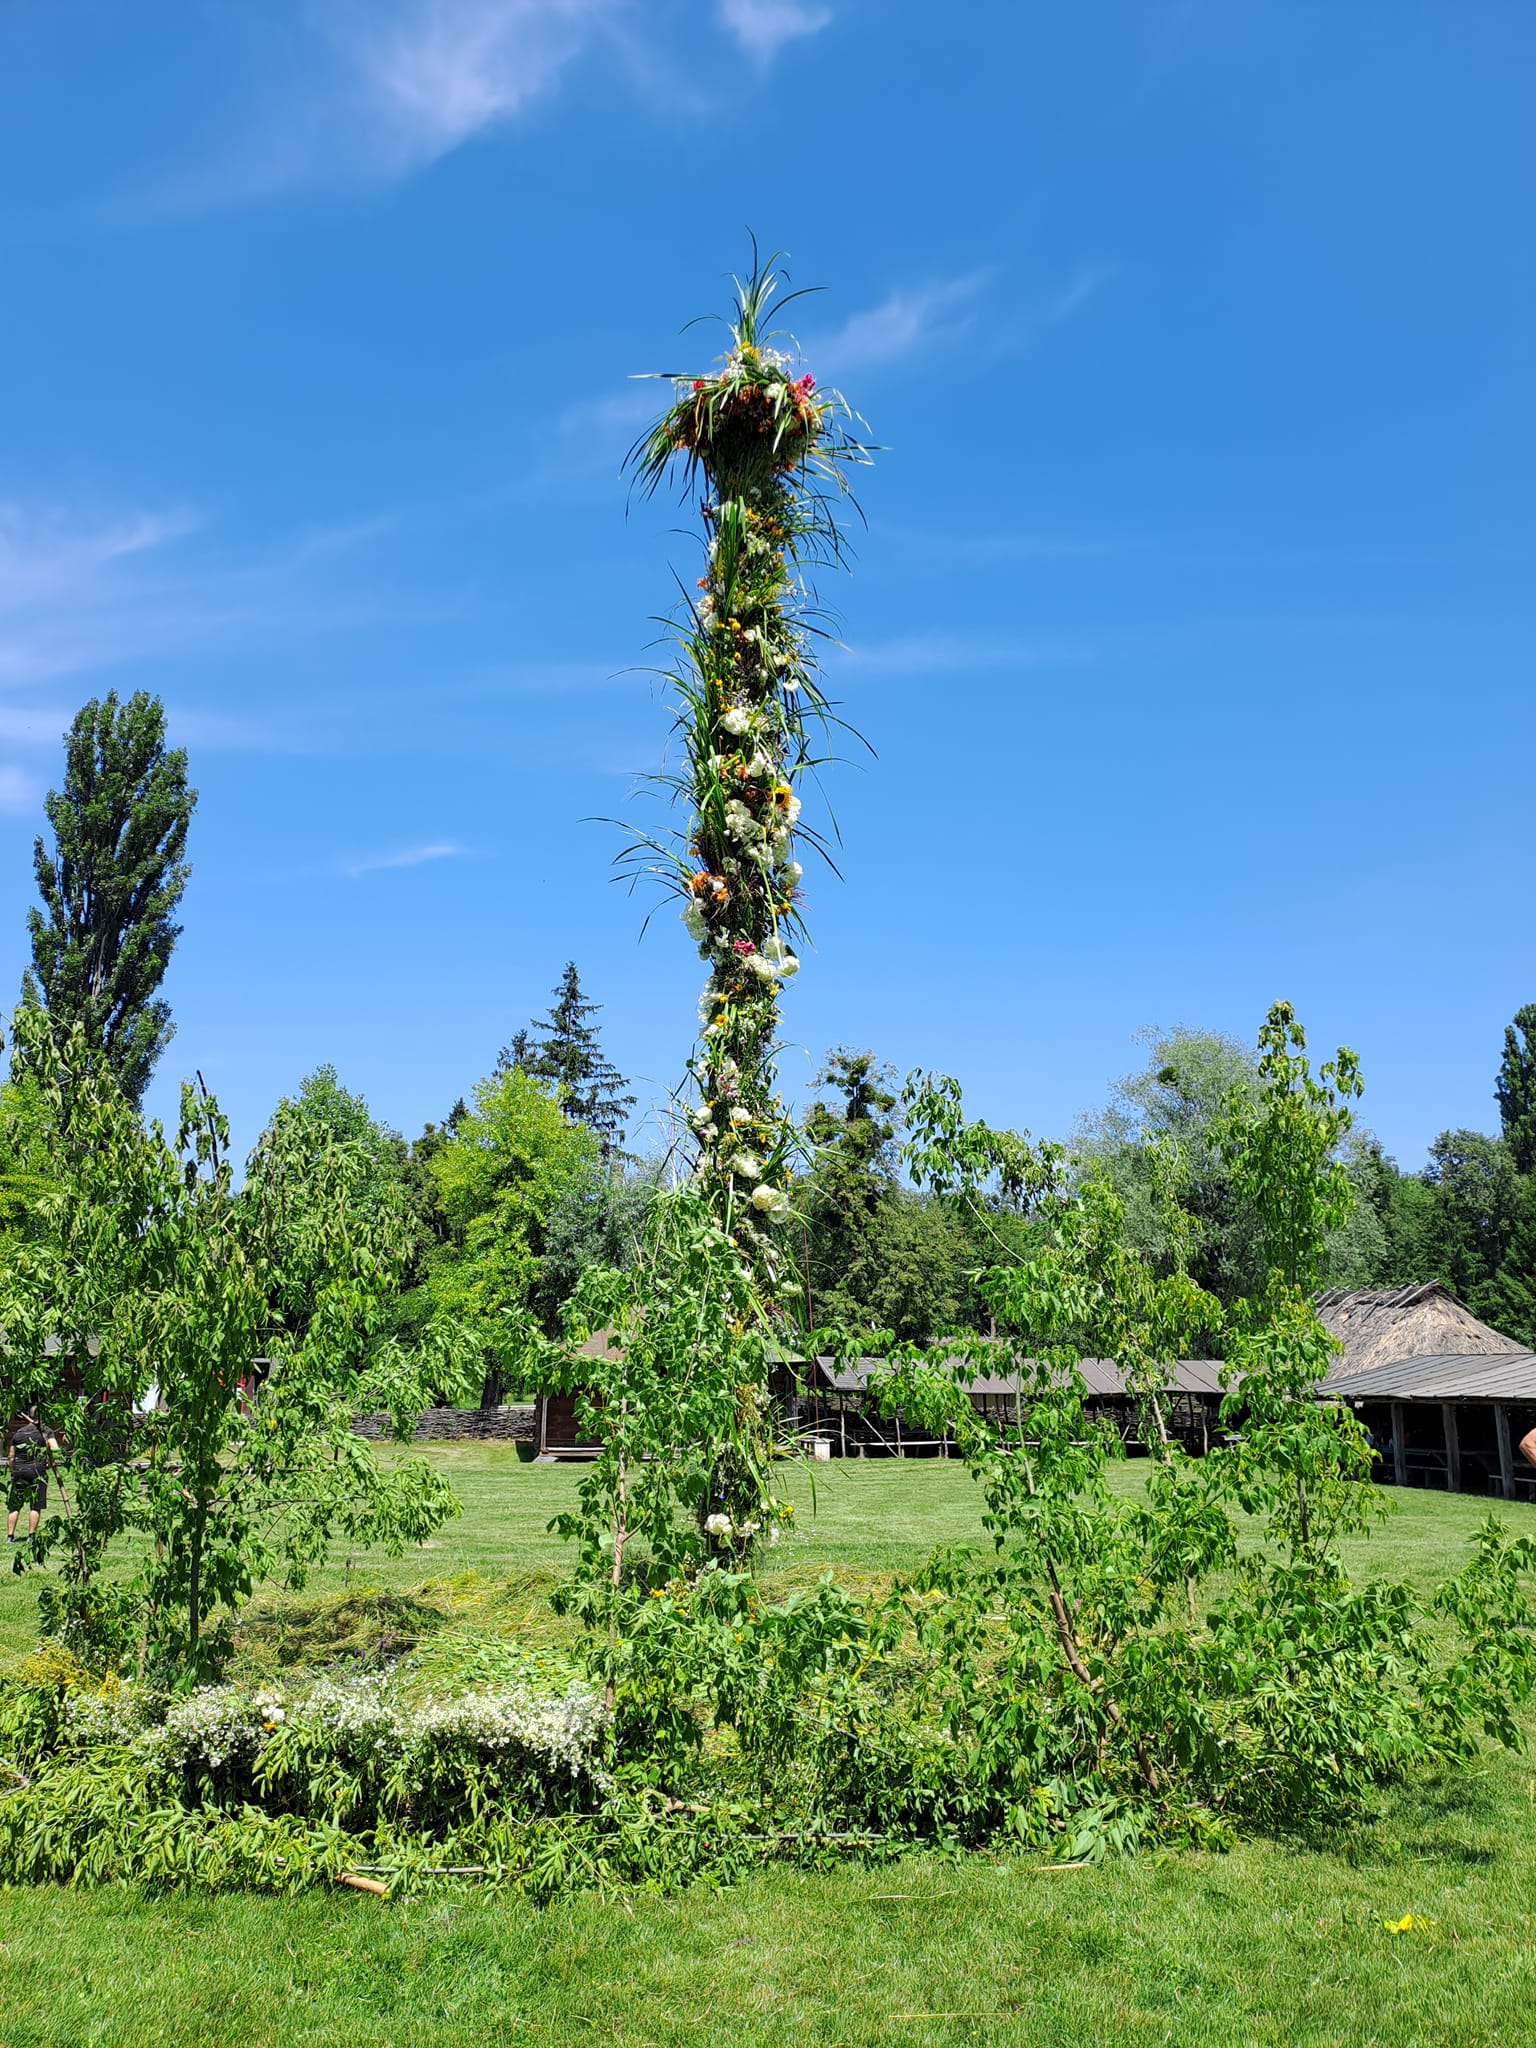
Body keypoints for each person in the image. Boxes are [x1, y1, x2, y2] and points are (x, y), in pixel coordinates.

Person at [6, 1410, 60, 1545]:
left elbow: (11, 1457)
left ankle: (10, 1536)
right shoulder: (46, 1431)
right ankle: (31, 1536)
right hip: (38, 1472)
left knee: (14, 1505)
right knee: (35, 1506)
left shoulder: (19, 1433)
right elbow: (55, 1449)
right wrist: (50, 1461)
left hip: (19, 1472)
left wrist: (13, 1471)